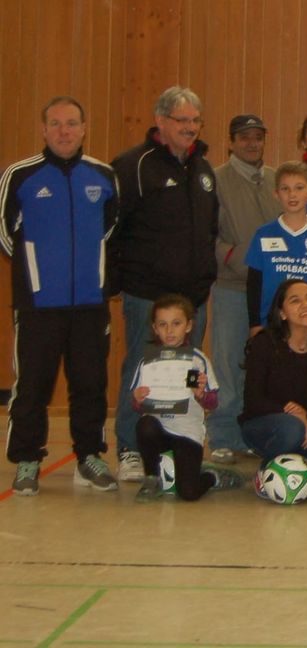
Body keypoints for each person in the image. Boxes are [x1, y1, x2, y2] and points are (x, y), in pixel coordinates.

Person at [1, 95, 119, 494]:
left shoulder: (102, 176)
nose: (64, 131)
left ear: (84, 129)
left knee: (90, 382)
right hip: (38, 305)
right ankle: (27, 461)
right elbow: (6, 235)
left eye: (72, 123)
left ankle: (89, 456)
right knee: (32, 385)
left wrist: (89, 270)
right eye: (56, 124)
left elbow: (109, 228)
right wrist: (36, 272)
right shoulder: (20, 176)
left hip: (89, 303)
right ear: (44, 129)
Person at [110, 86, 219, 482]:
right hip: (147, 296)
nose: (190, 128)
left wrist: (205, 279)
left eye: (195, 121)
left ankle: (184, 440)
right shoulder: (132, 165)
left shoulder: (203, 169)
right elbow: (114, 231)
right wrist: (120, 282)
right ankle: (129, 448)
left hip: (193, 298)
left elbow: (210, 229)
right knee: (141, 370)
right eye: (182, 121)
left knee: (189, 373)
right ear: (161, 121)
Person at [209, 114, 278, 463]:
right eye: (244, 137)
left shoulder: (276, 180)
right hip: (233, 286)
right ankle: (222, 434)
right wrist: (235, 257)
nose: (252, 143)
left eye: (257, 137)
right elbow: (206, 234)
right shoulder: (216, 179)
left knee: (264, 370)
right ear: (231, 141)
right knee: (228, 363)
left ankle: (252, 433)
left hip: (275, 294)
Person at [130, 294, 242, 501]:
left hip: (186, 433)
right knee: (144, 424)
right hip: (158, 430)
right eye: (162, 324)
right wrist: (137, 398)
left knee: (188, 493)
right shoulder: (148, 362)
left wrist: (201, 395)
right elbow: (137, 406)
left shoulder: (194, 361)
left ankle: (212, 476)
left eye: (176, 323)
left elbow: (212, 403)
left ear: (188, 326)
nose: (169, 330)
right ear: (154, 328)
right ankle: (152, 478)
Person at [240, 279, 307, 501]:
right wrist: (294, 414)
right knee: (292, 429)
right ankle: (266, 472)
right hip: (263, 427)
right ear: (282, 313)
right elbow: (253, 401)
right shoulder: (265, 344)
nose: (305, 305)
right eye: (295, 301)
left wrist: (306, 418)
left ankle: (291, 463)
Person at [244, 163, 307, 330]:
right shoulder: (264, 234)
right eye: (285, 189)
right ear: (276, 194)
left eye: (299, 188)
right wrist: (255, 324)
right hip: (270, 324)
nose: (292, 195)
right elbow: (254, 283)